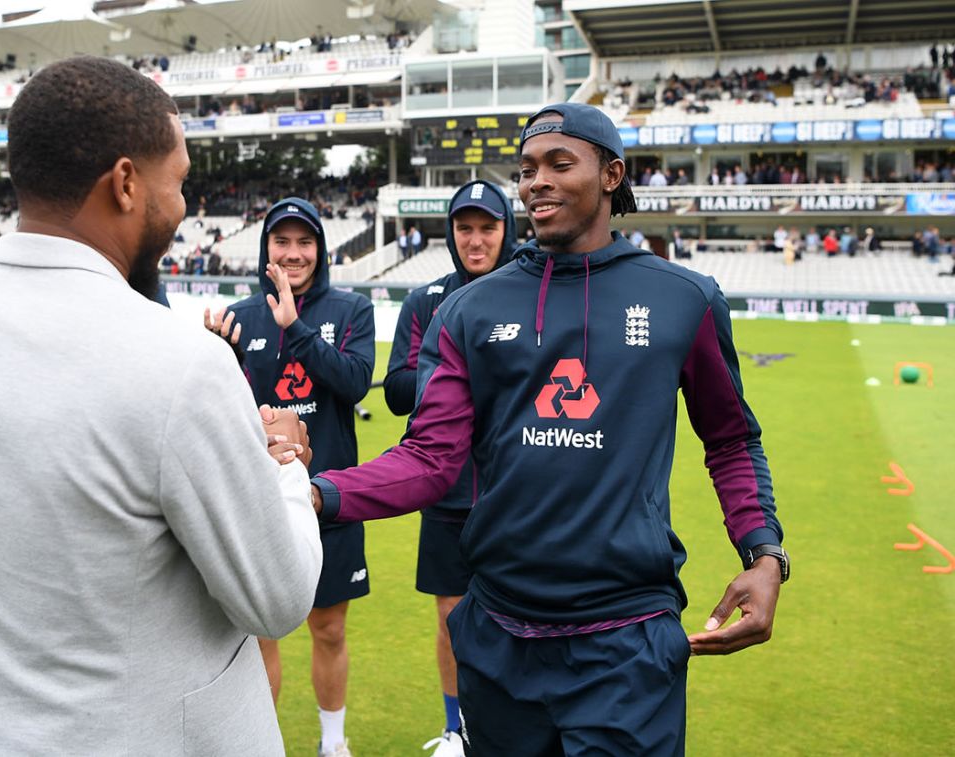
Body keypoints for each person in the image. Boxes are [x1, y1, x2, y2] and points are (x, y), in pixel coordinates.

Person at [0, 56, 322, 755]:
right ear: (124, 183)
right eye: (176, 182)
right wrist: (284, 468)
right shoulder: (179, 362)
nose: (182, 208)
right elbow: (276, 597)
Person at [309, 103, 787, 755]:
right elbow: (429, 459)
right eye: (528, 168)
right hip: (499, 637)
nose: (537, 180)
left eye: (560, 163)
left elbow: (730, 439)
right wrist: (316, 494)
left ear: (612, 174)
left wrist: (765, 555)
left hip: (628, 642)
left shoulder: (685, 298)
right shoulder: (468, 309)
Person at [206, 198, 375, 757]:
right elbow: (222, 409)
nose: (294, 253)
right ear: (267, 249)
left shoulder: (352, 310)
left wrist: (296, 328)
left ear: (321, 250)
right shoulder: (241, 315)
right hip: (260, 503)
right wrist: (223, 356)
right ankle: (263, 745)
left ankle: (333, 745)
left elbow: (353, 383)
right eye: (283, 242)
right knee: (261, 636)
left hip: (330, 499)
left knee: (329, 630)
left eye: (306, 243)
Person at [382, 180, 518, 757]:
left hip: (519, 488)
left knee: (520, 615)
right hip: (447, 487)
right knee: (451, 619)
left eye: (487, 227)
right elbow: (394, 390)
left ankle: (513, 728)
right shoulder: (425, 300)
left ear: (507, 229)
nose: (476, 239)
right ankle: (456, 730)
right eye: (465, 228)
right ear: (450, 233)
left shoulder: (530, 290)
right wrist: (459, 373)